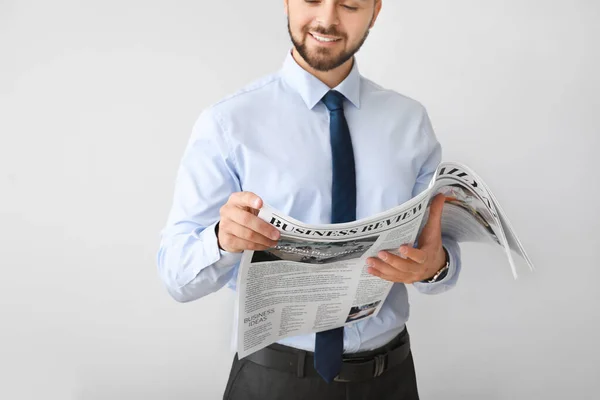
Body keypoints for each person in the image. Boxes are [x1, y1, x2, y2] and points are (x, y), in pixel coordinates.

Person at [157, 1, 462, 399]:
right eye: (312, 0)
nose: (328, 19)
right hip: (274, 380)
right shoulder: (228, 124)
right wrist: (221, 239)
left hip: (391, 380)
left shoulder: (410, 122)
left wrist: (435, 266)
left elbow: (437, 255)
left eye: (349, 4)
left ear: (375, 11)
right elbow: (176, 278)